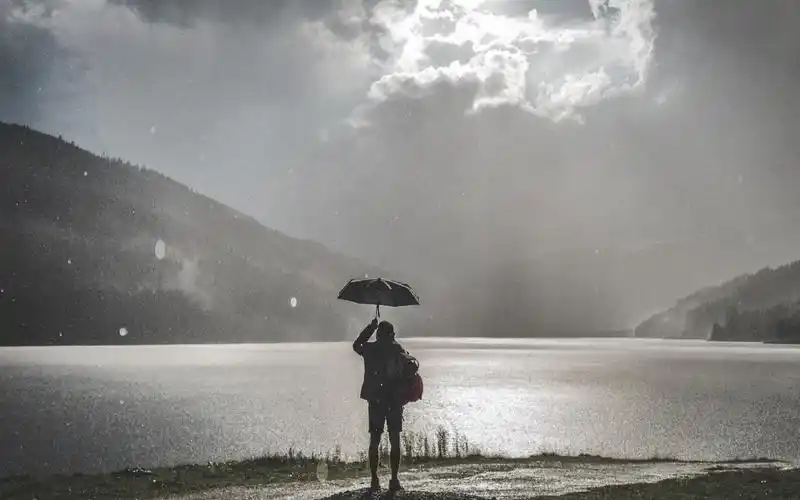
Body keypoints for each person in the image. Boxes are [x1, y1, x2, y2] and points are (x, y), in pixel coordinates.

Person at [353, 318, 416, 492]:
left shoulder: (370, 349)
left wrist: (370, 328)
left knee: (374, 440)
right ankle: (394, 480)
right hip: (394, 400)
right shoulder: (397, 349)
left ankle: (374, 480)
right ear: (391, 334)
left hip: (376, 400)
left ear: (378, 333)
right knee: (395, 439)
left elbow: (356, 345)